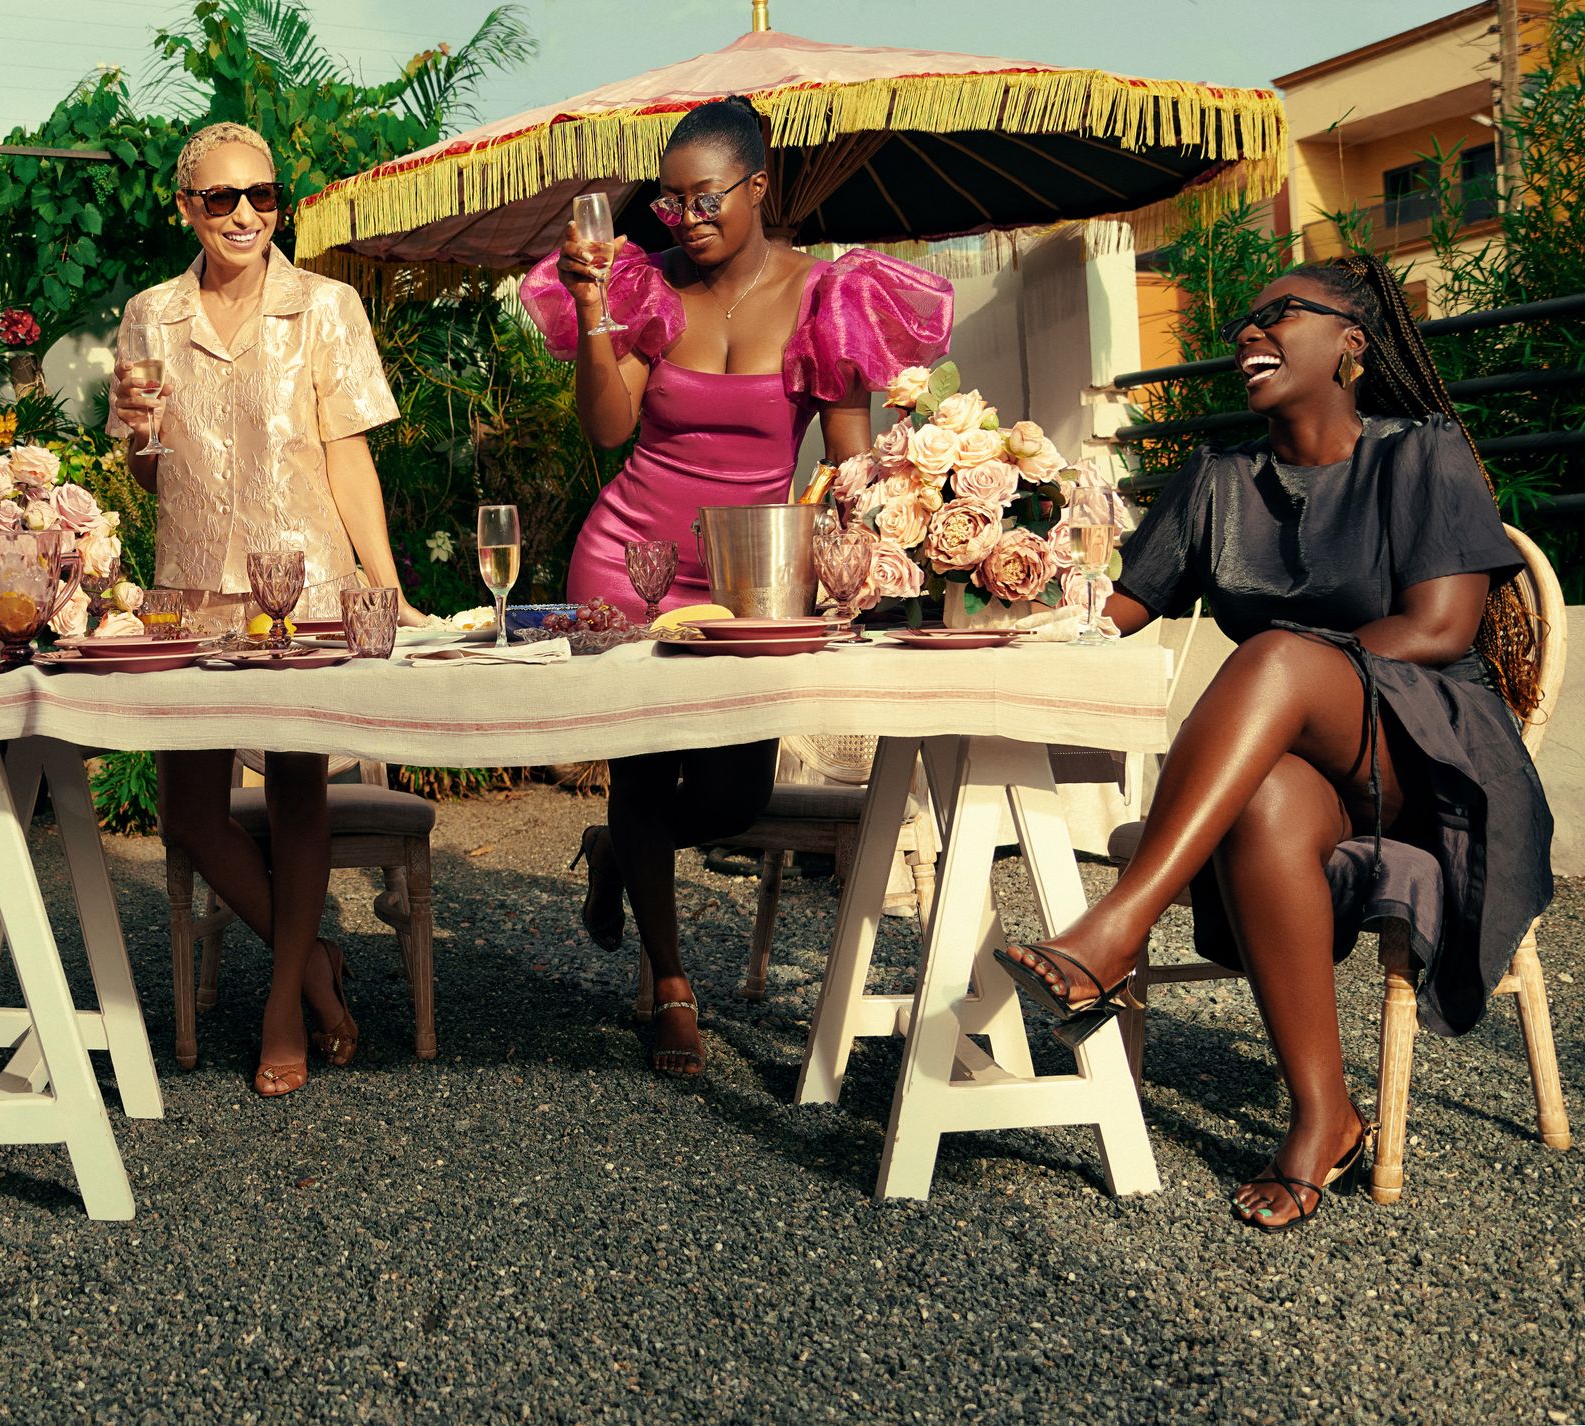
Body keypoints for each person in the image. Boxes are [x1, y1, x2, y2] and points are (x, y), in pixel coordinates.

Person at [994, 255, 1555, 1231]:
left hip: (1427, 755)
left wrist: (1297, 671)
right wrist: (997, 572)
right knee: (1261, 802)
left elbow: (1439, 628)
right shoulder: (1216, 481)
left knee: (1275, 661)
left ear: (1350, 343)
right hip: (1305, 767)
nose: (1247, 335)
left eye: (1277, 316)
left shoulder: (1418, 455)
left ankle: (1114, 927)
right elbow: (1109, 612)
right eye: (1243, 323)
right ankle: (1322, 1116)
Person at [520, 96, 952, 1075]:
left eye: (704, 195)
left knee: (728, 790)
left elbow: (845, 461)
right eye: (667, 201)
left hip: (749, 580)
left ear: (757, 185)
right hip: (627, 559)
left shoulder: (827, 295)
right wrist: (592, 312)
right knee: (640, 764)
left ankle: (617, 853)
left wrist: (876, 552)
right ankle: (671, 984)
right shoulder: (643, 284)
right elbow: (605, 429)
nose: (683, 217)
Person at [107, 120, 418, 1098]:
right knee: (189, 812)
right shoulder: (148, 317)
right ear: (185, 209)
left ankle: (285, 998)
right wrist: (135, 438)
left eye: (262, 195)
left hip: (303, 586)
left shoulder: (324, 308)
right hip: (191, 593)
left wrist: (385, 578)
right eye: (221, 198)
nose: (245, 213)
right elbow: (140, 466)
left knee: (295, 792)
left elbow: (346, 453)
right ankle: (320, 956)